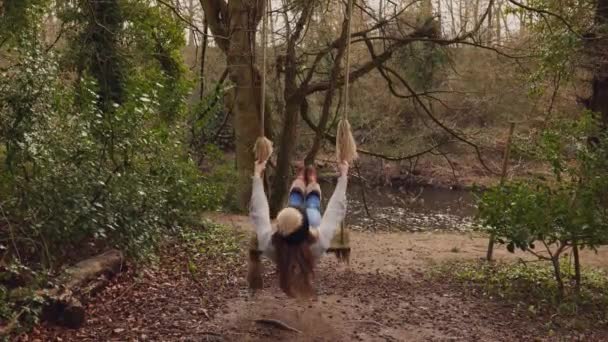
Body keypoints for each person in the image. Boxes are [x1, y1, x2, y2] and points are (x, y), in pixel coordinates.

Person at [249, 160, 349, 297]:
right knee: (312, 207)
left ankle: (300, 179)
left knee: (294, 204)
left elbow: (259, 210)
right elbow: (334, 209)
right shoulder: (320, 242)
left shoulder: (268, 243)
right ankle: (311, 181)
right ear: (306, 230)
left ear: (278, 230)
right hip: (310, 222)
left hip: (293, 225)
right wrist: (343, 175)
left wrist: (257, 174)